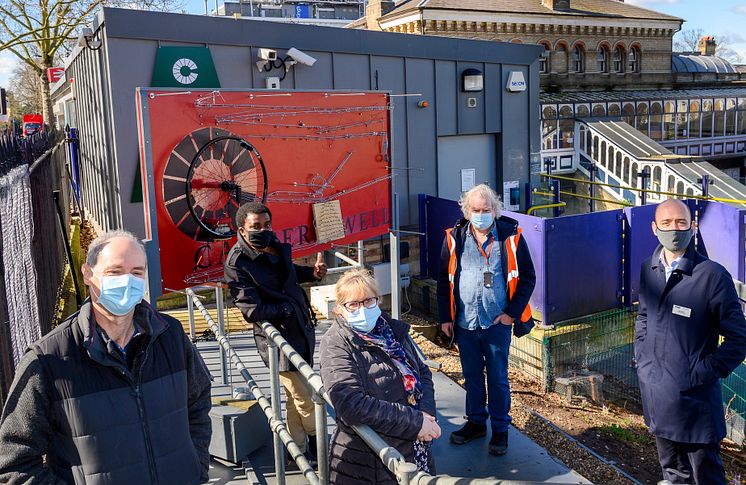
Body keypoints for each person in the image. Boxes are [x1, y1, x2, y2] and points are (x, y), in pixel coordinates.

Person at [0, 230, 213, 484]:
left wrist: (196, 467)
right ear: (88, 274)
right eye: (114, 272)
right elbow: (14, 463)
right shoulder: (49, 359)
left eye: (136, 272)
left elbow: (198, 403)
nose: (127, 281)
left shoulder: (171, 336)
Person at [636, 198, 746, 485]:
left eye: (681, 223)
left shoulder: (712, 276)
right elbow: (644, 317)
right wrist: (643, 361)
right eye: (667, 223)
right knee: (672, 474)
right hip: (658, 396)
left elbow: (739, 338)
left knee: (706, 477)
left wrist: (702, 372)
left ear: (693, 227)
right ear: (654, 228)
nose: (675, 229)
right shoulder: (649, 269)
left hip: (696, 403)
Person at [436, 183, 535, 455]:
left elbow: (527, 278)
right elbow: (444, 282)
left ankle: (501, 430)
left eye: (486, 209)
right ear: (467, 211)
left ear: (495, 210)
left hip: (495, 324)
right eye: (476, 209)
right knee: (472, 377)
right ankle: (477, 422)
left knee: (498, 378)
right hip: (465, 323)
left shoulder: (510, 237)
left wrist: (510, 315)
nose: (481, 214)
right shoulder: (454, 237)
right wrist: (445, 318)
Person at [224, 201, 327, 461]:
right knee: (305, 397)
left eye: (267, 224)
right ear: (242, 229)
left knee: (295, 397)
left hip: (301, 331)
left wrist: (312, 273)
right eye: (256, 226)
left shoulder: (273, 246)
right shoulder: (237, 263)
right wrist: (286, 311)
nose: (264, 229)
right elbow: (251, 310)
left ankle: (297, 450)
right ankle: (320, 448)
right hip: (277, 341)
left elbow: (286, 276)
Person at [320, 268, 439, 484]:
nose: (362, 309)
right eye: (353, 304)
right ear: (340, 308)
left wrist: (426, 413)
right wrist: (415, 422)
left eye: (368, 301)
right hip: (370, 463)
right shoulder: (335, 343)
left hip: (415, 448)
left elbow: (422, 372)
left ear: (378, 300)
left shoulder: (392, 331)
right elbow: (349, 403)